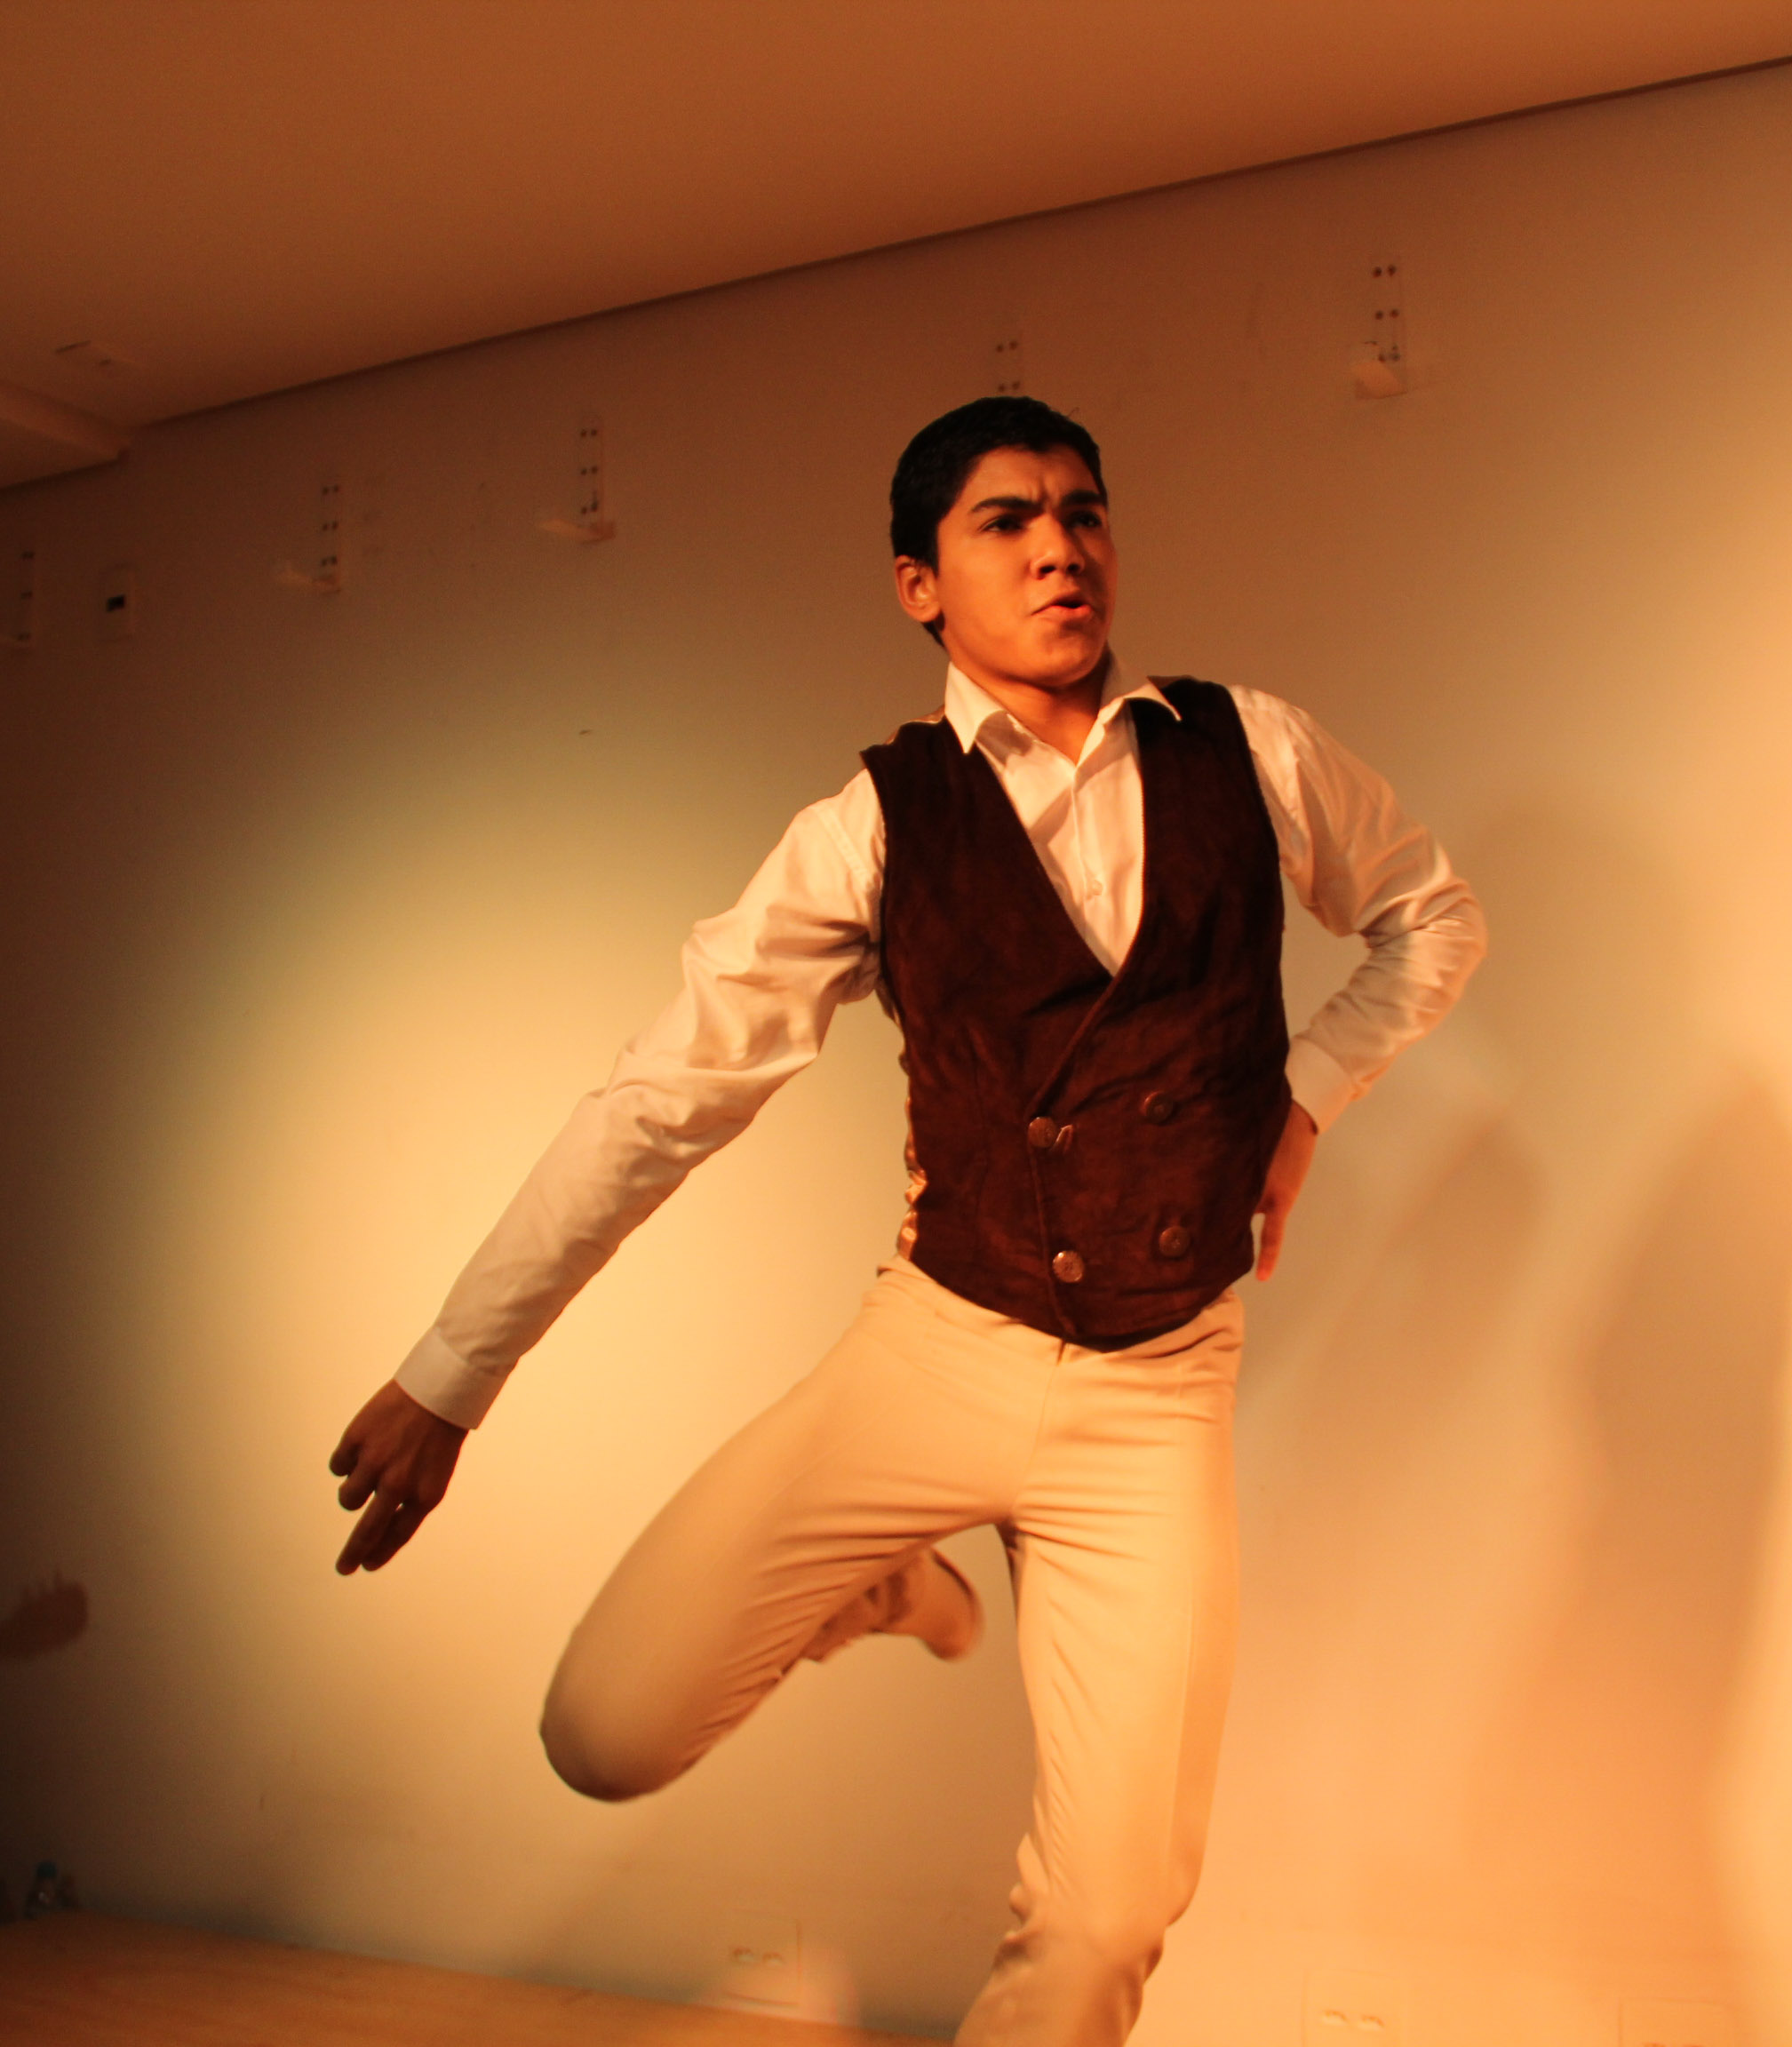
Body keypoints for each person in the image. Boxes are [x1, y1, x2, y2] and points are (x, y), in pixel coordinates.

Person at [328, 396, 1486, 2045]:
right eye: (1005, 520)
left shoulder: (1254, 751)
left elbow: (1431, 919)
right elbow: (663, 1098)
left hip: (1157, 1392)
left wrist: (1300, 1099)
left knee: (1110, 1916)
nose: (1058, 547)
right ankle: (883, 1584)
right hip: (937, 1346)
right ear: (919, 585)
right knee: (606, 1730)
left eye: (1082, 510)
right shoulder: (871, 827)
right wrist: (455, 1372)